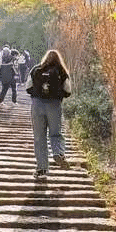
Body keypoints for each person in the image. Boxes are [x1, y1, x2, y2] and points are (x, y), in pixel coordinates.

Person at [25, 49, 72, 180]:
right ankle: (58, 153)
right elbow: (68, 90)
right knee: (55, 133)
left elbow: (28, 87)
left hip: (37, 105)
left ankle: (42, 169)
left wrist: (38, 94)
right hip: (54, 105)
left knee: (39, 137)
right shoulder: (61, 71)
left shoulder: (36, 69)